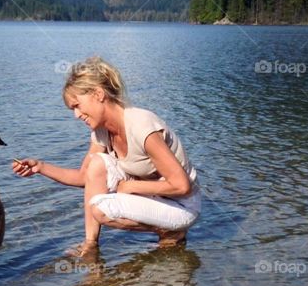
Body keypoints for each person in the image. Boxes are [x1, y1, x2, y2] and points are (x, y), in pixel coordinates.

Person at [12, 57, 201, 258]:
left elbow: (182, 186)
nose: (76, 115)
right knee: (96, 165)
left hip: (183, 204)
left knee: (100, 208)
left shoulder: (141, 126)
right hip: (154, 197)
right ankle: (90, 245)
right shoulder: (100, 131)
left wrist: (130, 187)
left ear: (98, 94)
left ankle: (173, 230)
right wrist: (40, 167)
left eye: (77, 106)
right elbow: (85, 178)